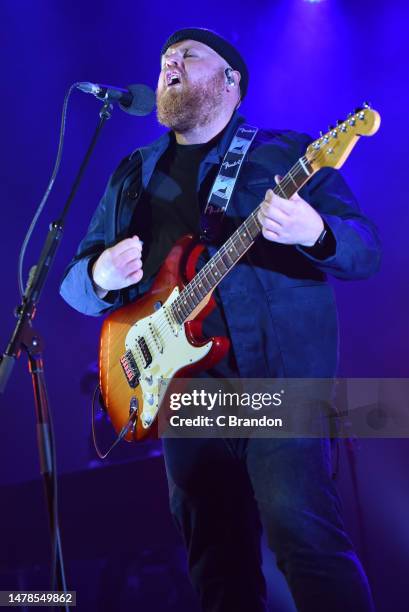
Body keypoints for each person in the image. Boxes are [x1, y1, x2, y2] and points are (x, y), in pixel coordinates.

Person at [60, 28, 380, 612]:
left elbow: (366, 248)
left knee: (306, 544)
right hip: (186, 393)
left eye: (187, 56)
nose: (169, 64)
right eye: (163, 58)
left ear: (231, 81)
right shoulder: (134, 174)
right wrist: (99, 275)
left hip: (279, 385)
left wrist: (319, 233)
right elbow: (74, 286)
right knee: (217, 567)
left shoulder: (288, 154)